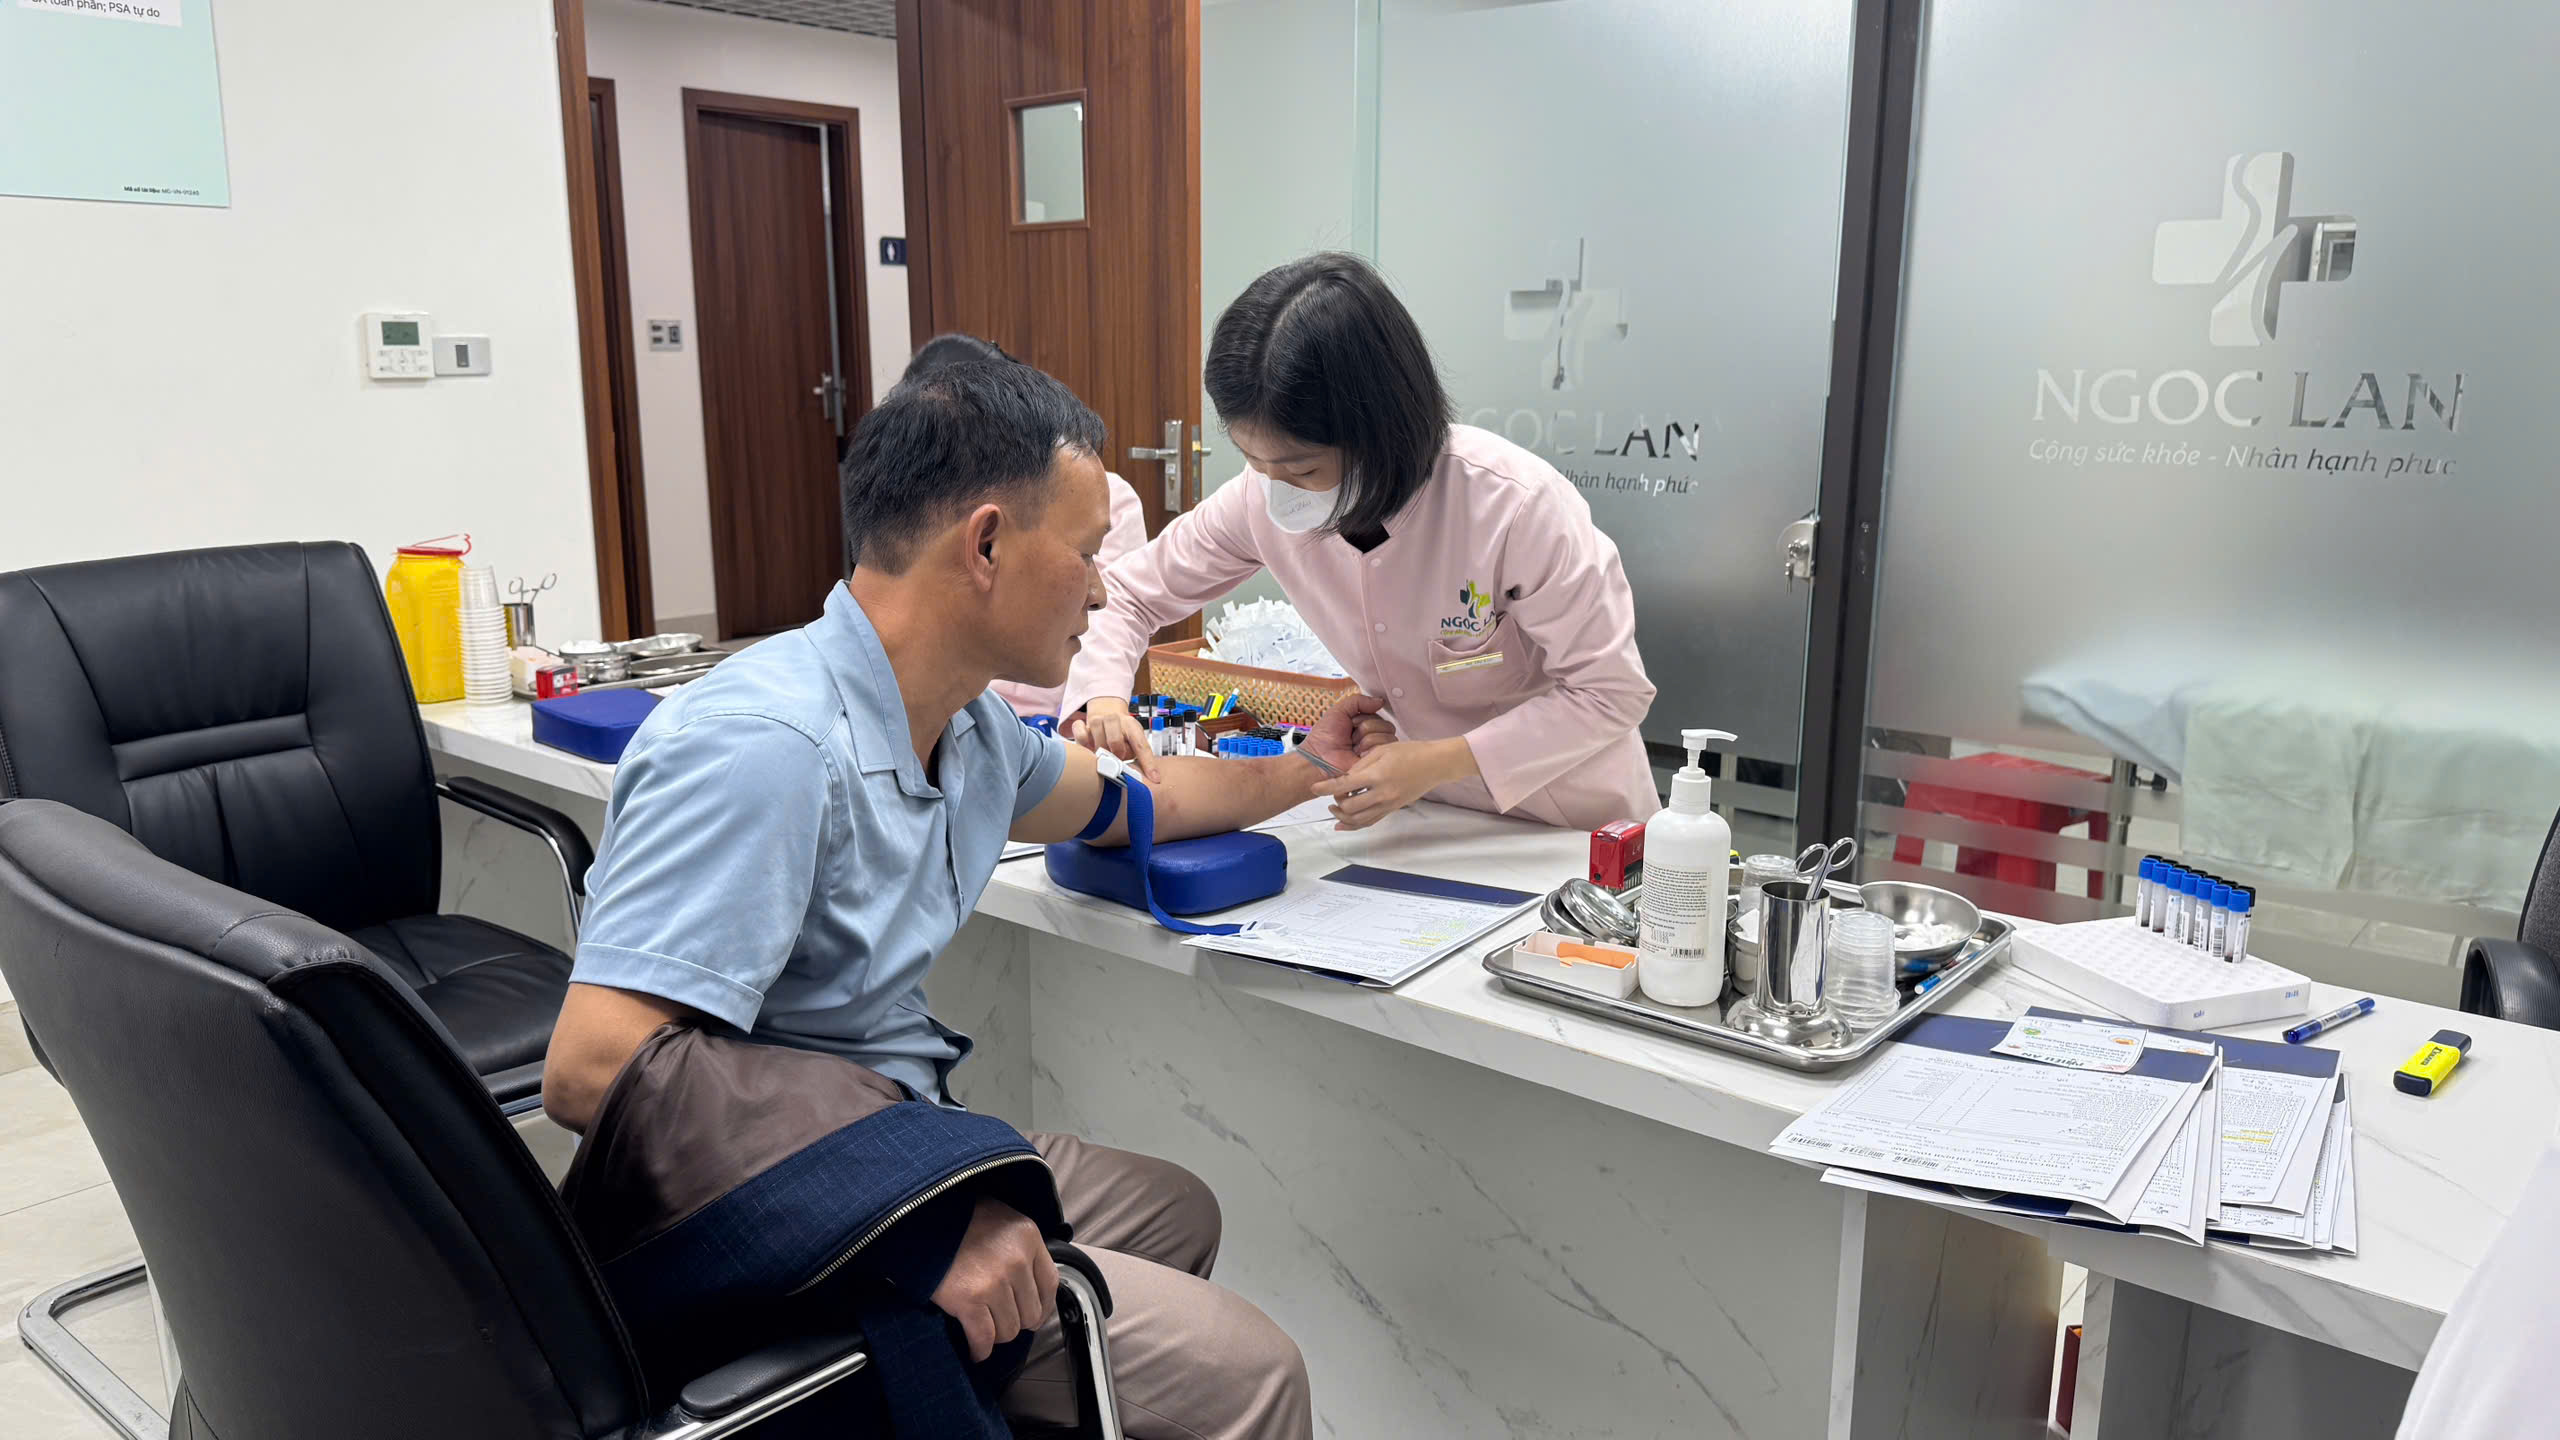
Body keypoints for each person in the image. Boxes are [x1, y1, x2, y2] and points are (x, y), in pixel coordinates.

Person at [546, 358, 1384, 1440]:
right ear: (985, 545)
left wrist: (1308, 771)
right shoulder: (764, 747)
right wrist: (919, 1232)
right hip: (769, 1218)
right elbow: (592, 1070)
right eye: (1086, 552)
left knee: (1176, 1210)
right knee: (1253, 1373)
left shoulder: (967, 727)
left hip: (895, 1128)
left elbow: (1141, 800)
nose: (1102, 592)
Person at [1062, 252, 1658, 833]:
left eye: (1302, 468)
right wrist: (1103, 699)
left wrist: (1438, 761)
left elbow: (1611, 692)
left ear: (1381, 429)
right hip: (1424, 818)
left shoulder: (1515, 506)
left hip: (1574, 824)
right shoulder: (1256, 496)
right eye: (1252, 459)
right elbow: (1129, 594)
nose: (1277, 493)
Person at [895, 333, 1152, 721]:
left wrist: (1095, 703)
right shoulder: (922, 511)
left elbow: (1110, 617)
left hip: (1055, 716)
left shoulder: (1101, 499)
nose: (1096, 594)